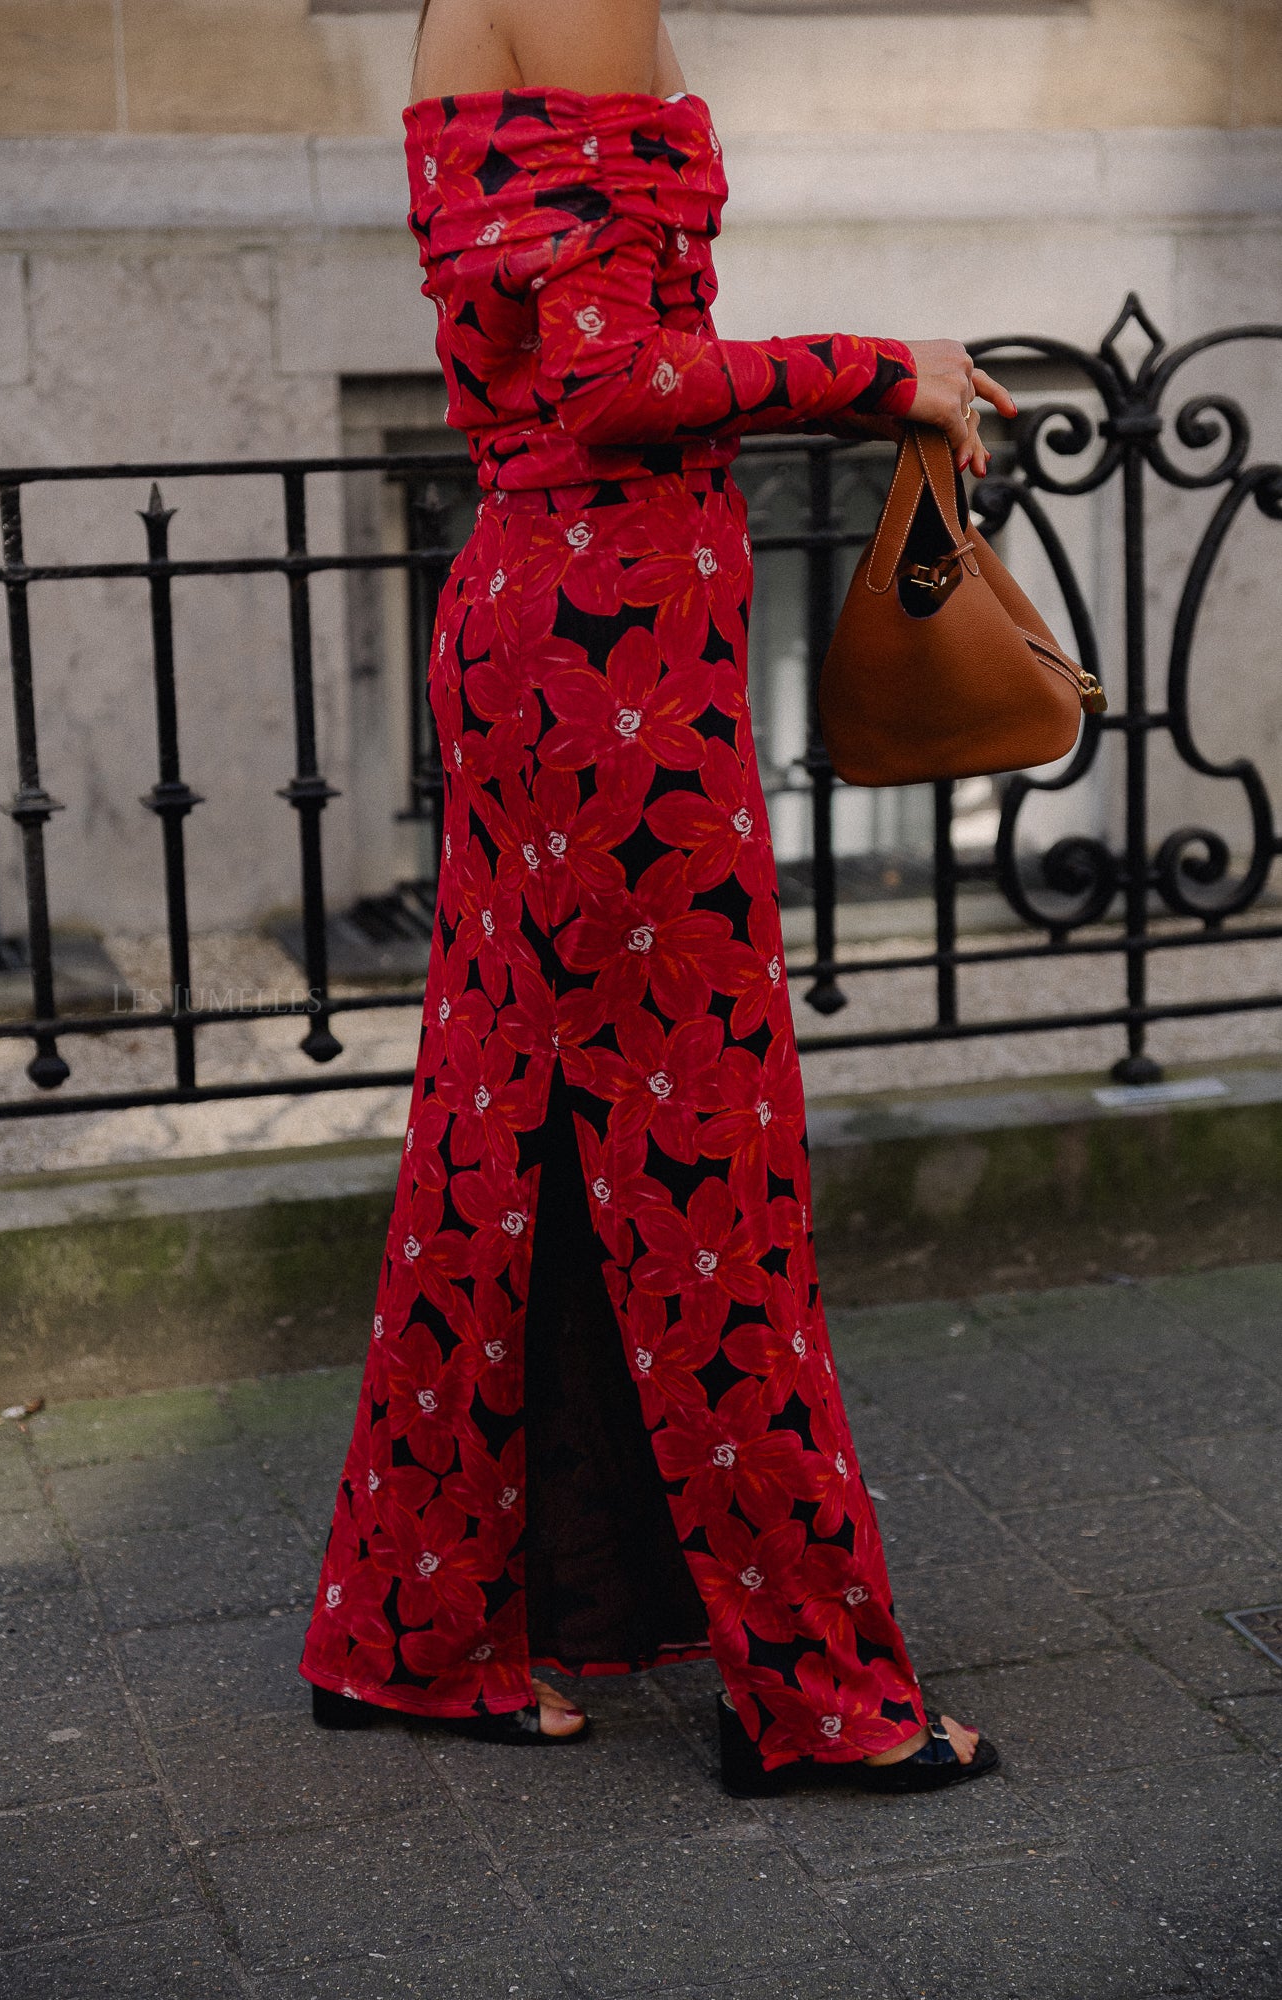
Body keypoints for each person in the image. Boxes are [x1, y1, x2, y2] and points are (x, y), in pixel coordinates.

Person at [299, 0, 1013, 1795]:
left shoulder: (463, 15)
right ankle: (815, 1696)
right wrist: (883, 370)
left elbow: (550, 347)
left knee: (498, 1127)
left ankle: (410, 1628)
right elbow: (614, 380)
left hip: (531, 632)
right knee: (708, 1173)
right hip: (613, 654)